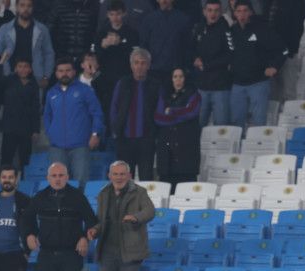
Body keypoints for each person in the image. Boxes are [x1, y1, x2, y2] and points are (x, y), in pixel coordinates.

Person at [23, 162, 99, 271]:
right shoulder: (39, 197)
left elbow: (91, 221)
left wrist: (84, 238)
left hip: (72, 255)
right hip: (47, 255)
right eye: (54, 176)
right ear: (48, 178)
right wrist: (30, 234)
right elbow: (27, 218)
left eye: (61, 175)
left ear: (67, 177)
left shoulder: (78, 196)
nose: (57, 179)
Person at [91, 160, 154, 271]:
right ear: (109, 175)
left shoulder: (140, 192)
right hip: (107, 249)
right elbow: (101, 219)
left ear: (129, 175)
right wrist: (95, 230)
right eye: (115, 174)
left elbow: (150, 211)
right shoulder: (103, 193)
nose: (119, 177)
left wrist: (136, 217)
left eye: (122, 174)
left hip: (131, 250)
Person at [42, 60, 104, 186]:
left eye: (68, 70)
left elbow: (97, 113)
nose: (64, 73)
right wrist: (50, 133)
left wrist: (95, 134)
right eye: (61, 71)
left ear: (74, 72)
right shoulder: (51, 93)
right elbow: (47, 115)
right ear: (56, 73)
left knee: (81, 182)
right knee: (57, 183)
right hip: (57, 147)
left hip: (80, 146)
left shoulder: (85, 90)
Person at [225, 3, 285, 130]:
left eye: (245, 10)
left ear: (250, 12)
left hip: (258, 83)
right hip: (237, 85)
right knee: (236, 124)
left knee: (259, 124)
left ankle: (259, 149)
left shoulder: (262, 29)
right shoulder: (231, 32)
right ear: (234, 13)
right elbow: (227, 52)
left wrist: (274, 67)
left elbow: (283, 50)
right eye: (239, 11)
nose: (242, 14)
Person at [107, 48, 160, 180]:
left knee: (146, 178)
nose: (139, 66)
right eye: (136, 63)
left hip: (146, 139)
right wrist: (115, 129)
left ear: (148, 65)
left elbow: (159, 110)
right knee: (124, 179)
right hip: (125, 139)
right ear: (131, 65)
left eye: (143, 63)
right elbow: (114, 108)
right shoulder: (123, 83)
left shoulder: (155, 85)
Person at [154, 67, 202, 186]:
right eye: (175, 77)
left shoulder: (194, 95)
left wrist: (171, 112)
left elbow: (191, 112)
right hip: (166, 154)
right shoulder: (164, 95)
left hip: (187, 151)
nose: (178, 80)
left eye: (181, 76)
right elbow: (158, 118)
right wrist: (180, 116)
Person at [191, 0, 231, 126]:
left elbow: (230, 56)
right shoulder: (199, 28)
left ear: (221, 12)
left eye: (216, 10)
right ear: (204, 12)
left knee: (221, 127)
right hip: (201, 87)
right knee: (198, 125)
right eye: (209, 10)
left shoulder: (226, 30)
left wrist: (207, 65)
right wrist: (194, 58)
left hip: (220, 87)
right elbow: (190, 48)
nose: (212, 14)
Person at [0, 0, 54, 81]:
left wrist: (46, 76)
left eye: (29, 6)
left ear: (33, 8)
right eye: (22, 5)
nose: (26, 9)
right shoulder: (4, 29)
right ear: (16, 7)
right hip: (10, 77)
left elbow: (48, 54)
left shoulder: (42, 29)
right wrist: (2, 74)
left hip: (35, 78)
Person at [0, 59, 39, 173]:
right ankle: (4, 183)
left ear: (30, 69)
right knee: (6, 158)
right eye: (20, 66)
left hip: (26, 127)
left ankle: (24, 185)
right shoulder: (9, 81)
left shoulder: (33, 84)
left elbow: (35, 108)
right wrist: (1, 63)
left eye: (26, 66)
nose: (23, 69)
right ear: (15, 68)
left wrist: (36, 129)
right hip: (9, 127)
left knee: (25, 160)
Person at [137, 0, 188, 83]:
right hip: (153, 70)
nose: (164, 1)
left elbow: (186, 46)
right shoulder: (149, 19)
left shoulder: (183, 20)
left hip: (175, 71)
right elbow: (143, 45)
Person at [96, 0, 139, 90]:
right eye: (112, 14)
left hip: (125, 76)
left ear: (124, 13)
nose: (115, 18)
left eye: (118, 14)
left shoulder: (132, 33)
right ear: (107, 15)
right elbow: (96, 57)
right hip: (106, 77)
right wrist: (103, 46)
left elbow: (135, 56)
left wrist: (120, 43)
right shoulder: (101, 33)